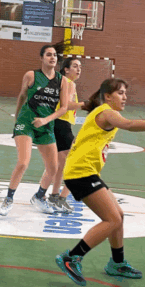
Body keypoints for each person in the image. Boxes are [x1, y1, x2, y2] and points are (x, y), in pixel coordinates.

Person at [55, 78, 145, 286]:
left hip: (86, 171)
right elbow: (129, 125)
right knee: (112, 219)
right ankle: (72, 257)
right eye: (120, 93)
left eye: (125, 93)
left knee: (118, 216)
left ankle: (117, 263)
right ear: (107, 96)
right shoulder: (106, 111)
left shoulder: (102, 112)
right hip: (80, 172)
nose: (125, 97)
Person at [0, 42, 72, 216]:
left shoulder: (62, 81)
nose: (53, 58)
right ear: (41, 58)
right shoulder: (31, 75)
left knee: (53, 168)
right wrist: (17, 118)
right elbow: (22, 96)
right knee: (23, 162)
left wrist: (46, 120)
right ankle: (8, 199)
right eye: (49, 55)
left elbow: (63, 108)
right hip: (27, 122)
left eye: (54, 55)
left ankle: (39, 197)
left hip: (46, 125)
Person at [45, 57, 85, 213]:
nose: (79, 69)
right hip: (61, 125)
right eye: (75, 66)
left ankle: (55, 196)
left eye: (80, 66)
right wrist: (87, 104)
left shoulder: (62, 82)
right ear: (66, 69)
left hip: (60, 125)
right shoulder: (68, 83)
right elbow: (66, 105)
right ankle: (60, 198)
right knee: (75, 163)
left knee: (60, 165)